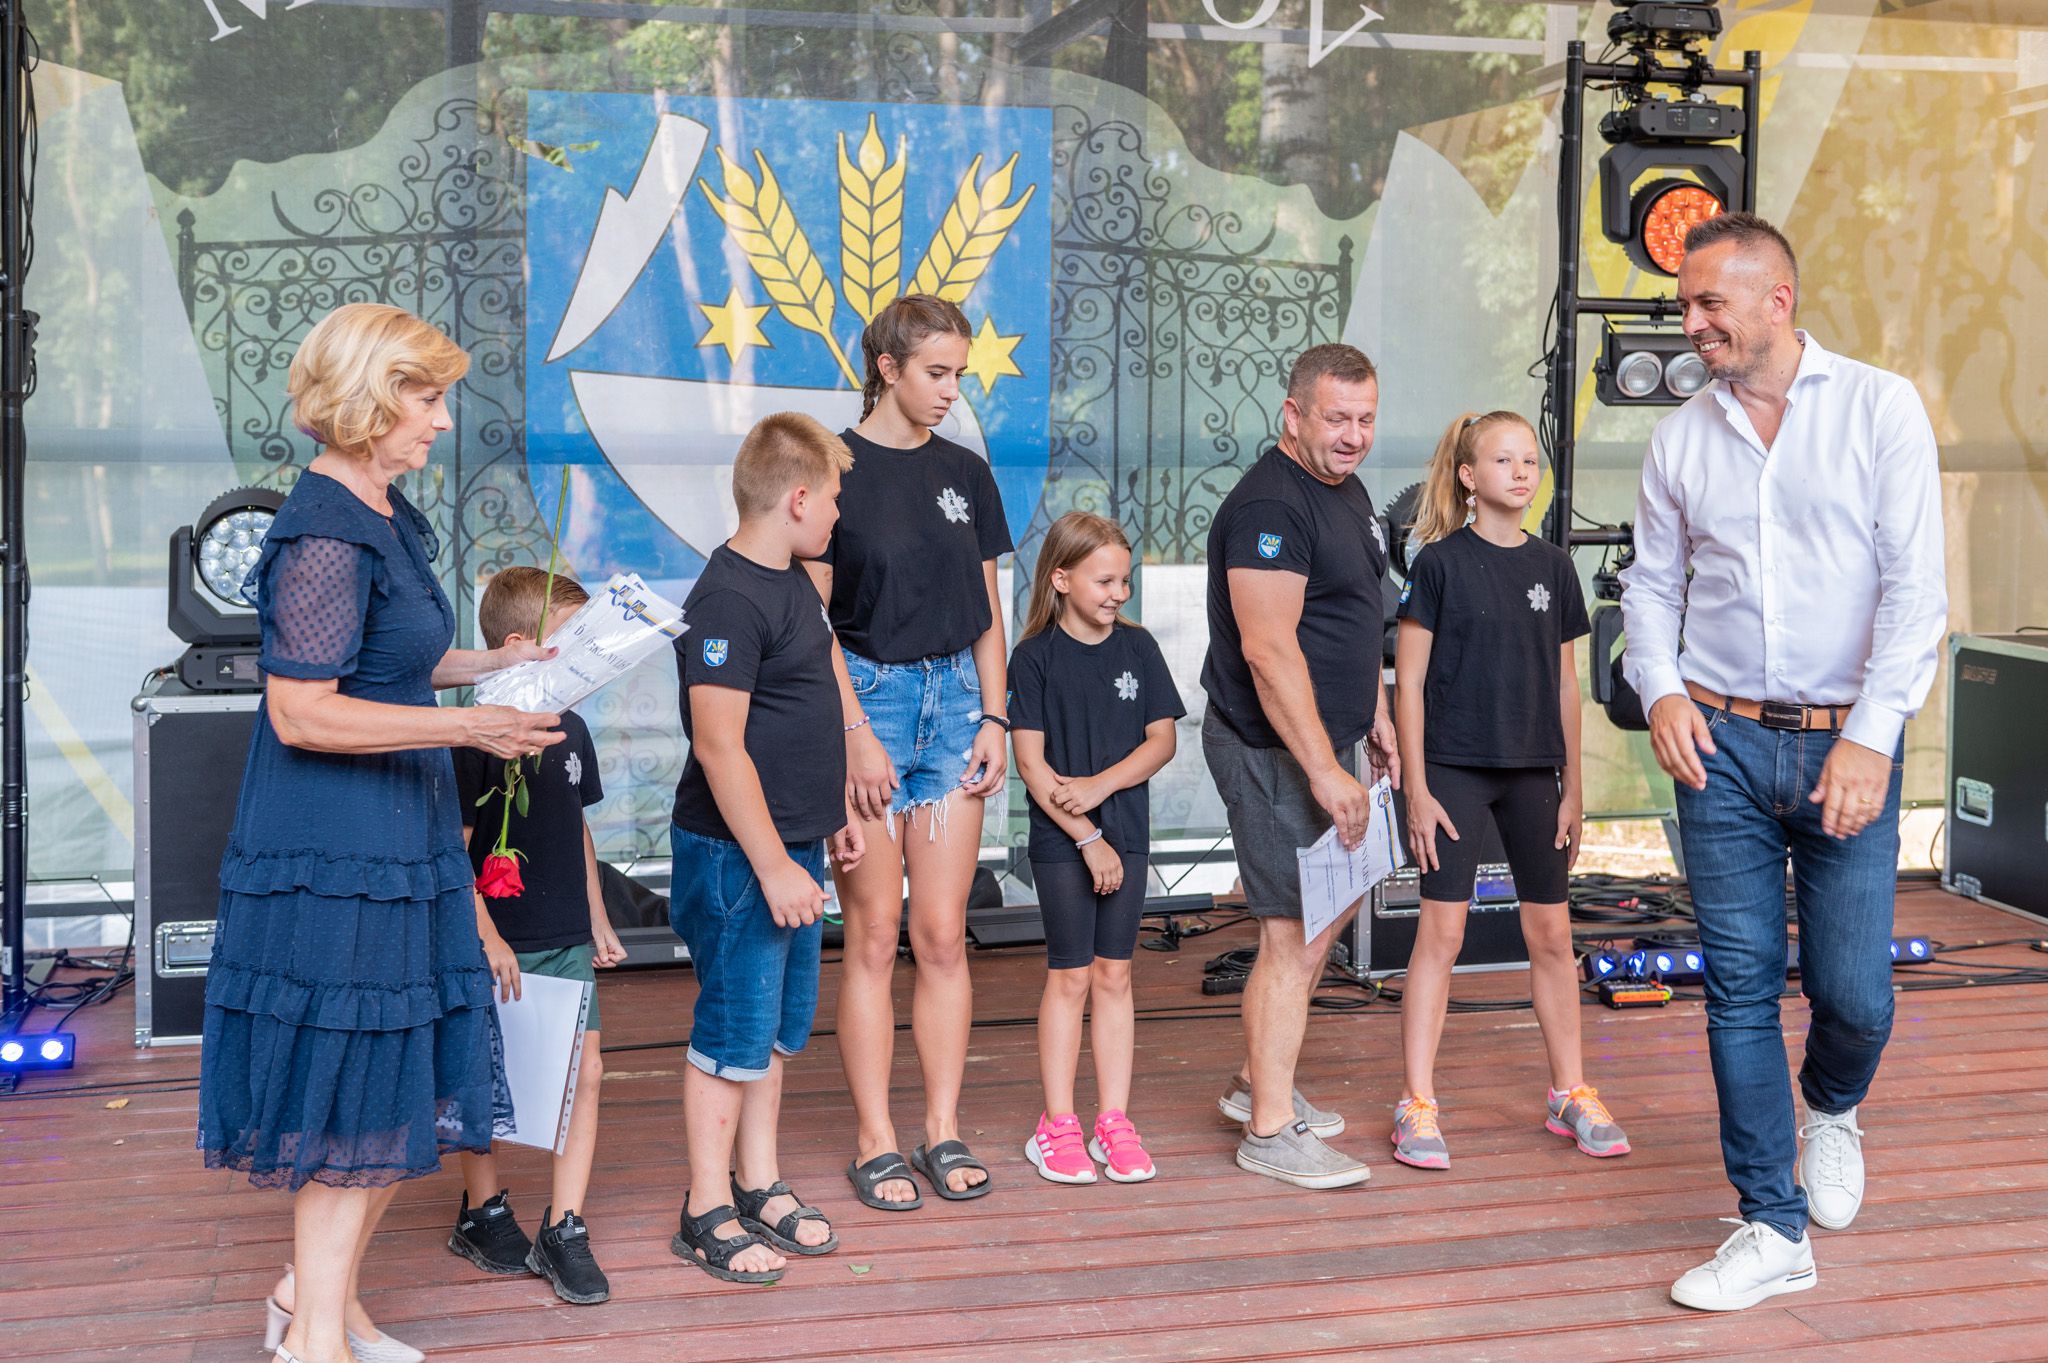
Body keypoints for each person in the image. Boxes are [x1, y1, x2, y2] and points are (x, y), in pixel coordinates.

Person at [197, 303, 564, 1363]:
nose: (442, 420)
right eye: (427, 397)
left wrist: (490, 666)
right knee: (348, 1093)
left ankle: (314, 1302)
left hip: (400, 833)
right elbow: (301, 711)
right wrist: (472, 725)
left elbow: (388, 660)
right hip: (336, 848)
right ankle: (312, 1341)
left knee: (394, 1077)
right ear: (368, 398)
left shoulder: (387, 513)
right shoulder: (322, 530)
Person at [1619, 213, 1947, 1312]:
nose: (1691, 322)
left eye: (1709, 302)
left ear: (1777, 301)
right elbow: (1649, 586)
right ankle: (1771, 1222)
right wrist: (1660, 688)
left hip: (1847, 745)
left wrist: (1871, 736)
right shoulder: (1680, 439)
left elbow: (1915, 593)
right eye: (1684, 305)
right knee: (1738, 989)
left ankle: (1833, 1106)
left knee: (1853, 994)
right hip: (1717, 744)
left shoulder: (1878, 408)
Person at [806, 294, 1012, 1210]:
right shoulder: (832, 469)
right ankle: (875, 1137)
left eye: (959, 373)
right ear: (886, 367)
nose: (950, 389)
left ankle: (941, 1125)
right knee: (873, 935)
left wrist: (995, 717)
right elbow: (812, 621)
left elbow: (989, 609)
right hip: (869, 701)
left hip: (958, 705)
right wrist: (852, 730)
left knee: (940, 933)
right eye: (936, 371)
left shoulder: (967, 471)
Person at [1389, 410, 1629, 1171]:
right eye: (1503, 460)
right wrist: (1417, 788)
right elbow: (1409, 684)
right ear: (1468, 476)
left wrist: (1574, 788)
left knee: (1552, 935)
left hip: (1535, 774)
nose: (1522, 471)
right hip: (1453, 772)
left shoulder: (1554, 567)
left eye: (1529, 459)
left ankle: (1570, 1091)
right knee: (1442, 935)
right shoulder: (1438, 565)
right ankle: (1416, 1102)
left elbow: (1566, 687)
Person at [669, 412, 866, 1284]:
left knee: (777, 1032)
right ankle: (705, 1205)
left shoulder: (794, 582)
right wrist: (776, 863)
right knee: (732, 1030)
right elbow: (720, 747)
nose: (838, 516)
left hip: (794, 847)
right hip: (739, 857)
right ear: (797, 498)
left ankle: (758, 1180)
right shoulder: (727, 598)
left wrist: (829, 814)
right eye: (834, 499)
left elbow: (807, 706)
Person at [1200, 342, 1400, 1190]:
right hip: (1272, 749)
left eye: (1365, 418)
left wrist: (1375, 714)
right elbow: (1269, 650)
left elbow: (1353, 617)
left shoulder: (1342, 488)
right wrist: (1323, 767)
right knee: (1294, 934)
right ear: (1293, 415)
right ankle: (1270, 1131)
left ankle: (1260, 1083)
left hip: (1327, 740)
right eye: (1336, 418)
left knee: (1316, 927)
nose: (1353, 435)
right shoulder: (1270, 506)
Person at [446, 566, 626, 1306]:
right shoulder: (467, 737)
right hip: (492, 937)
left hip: (564, 933)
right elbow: (452, 851)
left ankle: (564, 1225)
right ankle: (482, 1209)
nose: (586, 654)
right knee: (486, 1077)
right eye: (570, 639)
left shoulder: (571, 727)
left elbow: (575, 828)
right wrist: (487, 936)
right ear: (519, 644)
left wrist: (598, 917)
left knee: (586, 1071)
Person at [1009, 512, 1184, 1186]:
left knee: (1115, 975)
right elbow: (1031, 764)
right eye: (1105, 580)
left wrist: (1099, 789)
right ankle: (1056, 1123)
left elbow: (1161, 741)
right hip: (1063, 843)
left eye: (1125, 580)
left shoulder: (1139, 648)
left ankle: (1113, 1118)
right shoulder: (1033, 658)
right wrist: (1087, 835)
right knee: (1072, 976)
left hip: (1127, 835)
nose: (1119, 592)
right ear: (1061, 579)